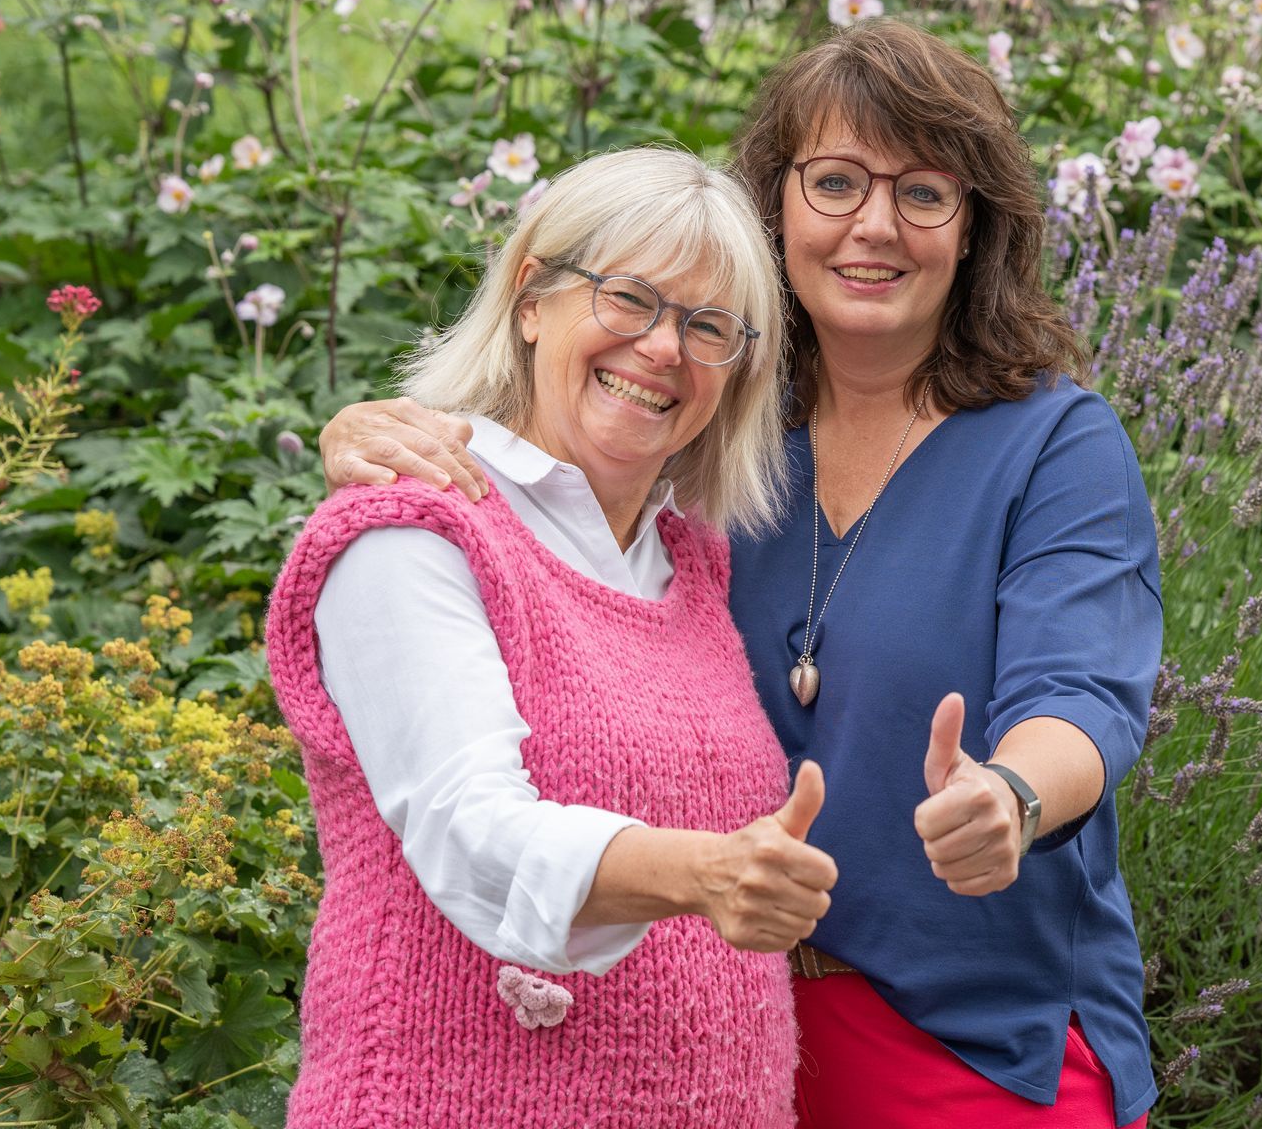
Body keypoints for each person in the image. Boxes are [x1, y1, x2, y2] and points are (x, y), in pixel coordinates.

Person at [318, 21, 1161, 1128]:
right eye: (836, 181)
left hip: (967, 1031)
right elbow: (547, 487)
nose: (874, 223)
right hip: (706, 1038)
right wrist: (375, 435)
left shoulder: (1052, 445)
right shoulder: (711, 433)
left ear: (974, 229)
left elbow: (1084, 691)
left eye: (923, 192)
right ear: (777, 209)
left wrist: (1008, 793)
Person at [266, 146, 837, 1129]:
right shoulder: (413, 532)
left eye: (707, 327)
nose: (663, 347)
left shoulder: (693, 560)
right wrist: (700, 873)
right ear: (532, 298)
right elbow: (469, 831)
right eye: (628, 298)